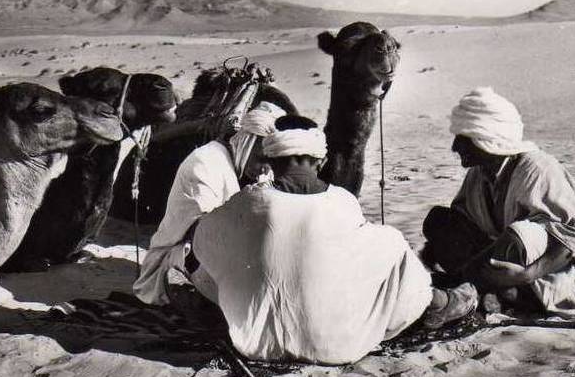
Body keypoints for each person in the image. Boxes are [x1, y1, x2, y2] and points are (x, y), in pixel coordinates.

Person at [191, 115, 477, 364]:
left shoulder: (248, 202)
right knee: (394, 246)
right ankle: (439, 303)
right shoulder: (341, 201)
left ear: (270, 159)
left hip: (258, 345)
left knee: (212, 268)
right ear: (321, 160)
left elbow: (203, 239)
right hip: (336, 346)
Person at [421, 87, 575, 312]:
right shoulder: (478, 174)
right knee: (439, 220)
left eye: (464, 139)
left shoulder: (538, 170)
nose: (455, 147)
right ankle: (488, 290)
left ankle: (476, 293)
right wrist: (434, 250)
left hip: (551, 267)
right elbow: (463, 221)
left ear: (488, 139)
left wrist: (528, 275)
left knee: (520, 235)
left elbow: (571, 242)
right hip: (503, 257)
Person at [132, 101, 286, 306]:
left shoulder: (256, 169)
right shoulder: (205, 163)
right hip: (182, 259)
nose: (266, 169)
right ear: (248, 142)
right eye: (261, 159)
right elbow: (206, 234)